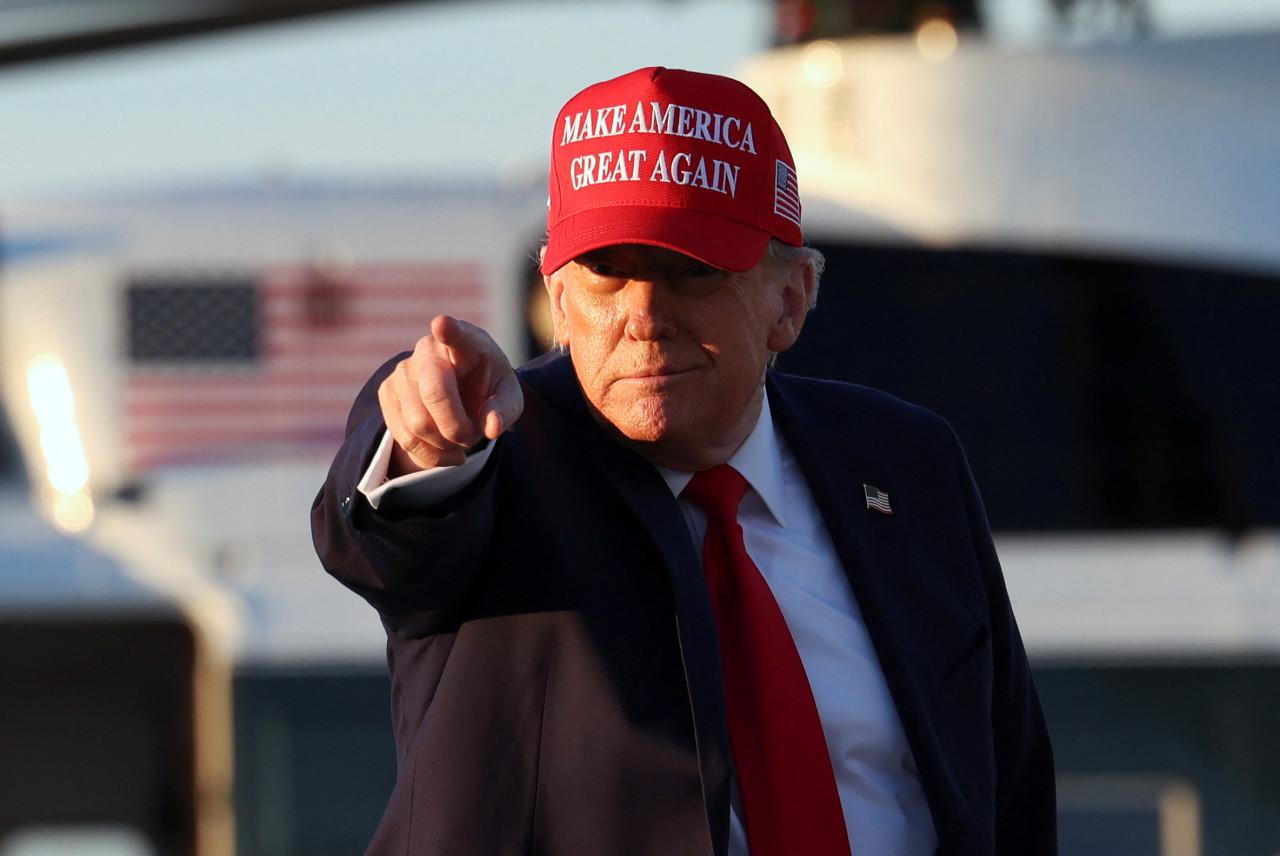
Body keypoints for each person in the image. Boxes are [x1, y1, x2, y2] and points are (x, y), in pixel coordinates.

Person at [312, 66, 1056, 856]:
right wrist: (427, 444)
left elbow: (1008, 781)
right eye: (607, 272)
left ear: (791, 300)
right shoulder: (495, 457)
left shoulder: (907, 462)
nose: (643, 316)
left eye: (691, 270)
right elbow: (388, 536)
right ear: (558, 302)